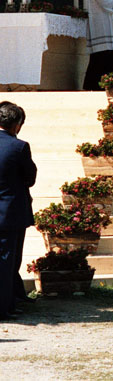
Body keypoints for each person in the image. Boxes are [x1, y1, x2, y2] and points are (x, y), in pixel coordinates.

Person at [0, 101, 36, 320]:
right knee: (7, 261)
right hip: (9, 213)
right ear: (17, 125)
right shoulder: (19, 147)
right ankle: (4, 306)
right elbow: (30, 178)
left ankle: (13, 298)